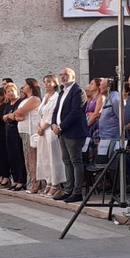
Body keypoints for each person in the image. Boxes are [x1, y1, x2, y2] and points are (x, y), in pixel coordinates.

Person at [51, 68, 88, 203]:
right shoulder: (62, 92)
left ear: (74, 76)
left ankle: (77, 192)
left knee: (75, 161)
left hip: (73, 132)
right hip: (62, 132)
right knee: (66, 161)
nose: (63, 77)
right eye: (61, 74)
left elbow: (76, 113)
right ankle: (68, 190)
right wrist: (53, 124)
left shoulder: (78, 91)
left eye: (66, 74)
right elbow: (56, 111)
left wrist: (61, 126)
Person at [36, 75, 66, 197]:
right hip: (42, 129)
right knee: (44, 157)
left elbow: (53, 114)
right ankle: (48, 181)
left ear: (55, 83)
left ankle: (56, 184)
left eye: (49, 82)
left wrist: (43, 127)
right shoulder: (45, 97)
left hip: (50, 129)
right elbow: (41, 114)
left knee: (53, 157)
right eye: (45, 82)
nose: (46, 84)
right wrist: (39, 126)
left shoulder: (56, 97)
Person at [15, 78, 42, 193]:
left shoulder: (34, 99)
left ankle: (35, 184)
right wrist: (16, 116)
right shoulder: (25, 99)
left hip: (31, 132)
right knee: (27, 159)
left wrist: (14, 115)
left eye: (26, 85)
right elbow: (18, 114)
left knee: (32, 159)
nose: (23, 86)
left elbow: (20, 111)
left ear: (31, 87)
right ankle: (31, 182)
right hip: (23, 131)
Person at [3, 83, 27, 190]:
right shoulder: (8, 104)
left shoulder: (20, 102)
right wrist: (8, 117)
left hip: (17, 131)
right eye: (8, 91)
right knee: (11, 156)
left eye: (12, 90)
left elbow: (18, 116)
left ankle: (21, 180)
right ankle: (15, 179)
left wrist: (9, 117)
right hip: (8, 131)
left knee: (18, 155)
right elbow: (4, 117)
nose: (10, 93)